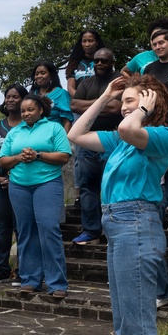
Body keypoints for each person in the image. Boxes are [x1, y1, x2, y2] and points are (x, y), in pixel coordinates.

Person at [68, 75, 168, 335]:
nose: (124, 108)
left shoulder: (159, 136)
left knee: (138, 326)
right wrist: (104, 97)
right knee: (125, 325)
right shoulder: (122, 142)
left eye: (132, 100)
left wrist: (142, 109)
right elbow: (76, 135)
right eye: (124, 101)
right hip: (118, 227)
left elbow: (132, 126)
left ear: (150, 102)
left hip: (137, 226)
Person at [0, 94, 71, 297]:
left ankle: (57, 283)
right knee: (25, 231)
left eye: (30, 109)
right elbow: (3, 160)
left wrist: (38, 155)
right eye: (23, 110)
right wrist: (19, 157)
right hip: (19, 186)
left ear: (40, 110)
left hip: (47, 184)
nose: (26, 113)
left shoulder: (54, 128)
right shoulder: (15, 132)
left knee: (49, 229)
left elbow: (64, 156)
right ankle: (31, 279)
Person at [70, 47, 121, 245]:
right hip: (86, 142)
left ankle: (113, 230)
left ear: (112, 62)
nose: (99, 64)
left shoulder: (119, 81)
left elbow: (116, 108)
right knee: (87, 186)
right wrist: (102, 104)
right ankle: (91, 230)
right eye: (97, 61)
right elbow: (73, 105)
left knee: (112, 185)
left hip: (111, 141)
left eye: (104, 61)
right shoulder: (86, 82)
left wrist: (89, 106)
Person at [0, 85, 28, 284]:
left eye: (15, 97)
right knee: (3, 228)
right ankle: (2, 269)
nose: (10, 100)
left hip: (23, 183)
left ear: (24, 100)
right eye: (8, 96)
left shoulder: (28, 126)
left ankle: (23, 270)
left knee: (21, 227)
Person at [30, 61, 73, 131]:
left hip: (55, 136)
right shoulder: (31, 95)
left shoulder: (61, 94)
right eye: (36, 74)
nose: (39, 76)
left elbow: (67, 121)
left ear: (51, 75)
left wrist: (65, 140)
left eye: (42, 73)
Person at [65, 29, 105, 97]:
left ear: (97, 42)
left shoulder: (104, 61)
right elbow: (70, 87)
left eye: (90, 41)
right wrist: (80, 98)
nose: (87, 44)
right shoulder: (74, 63)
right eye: (84, 41)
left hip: (100, 100)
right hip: (80, 102)